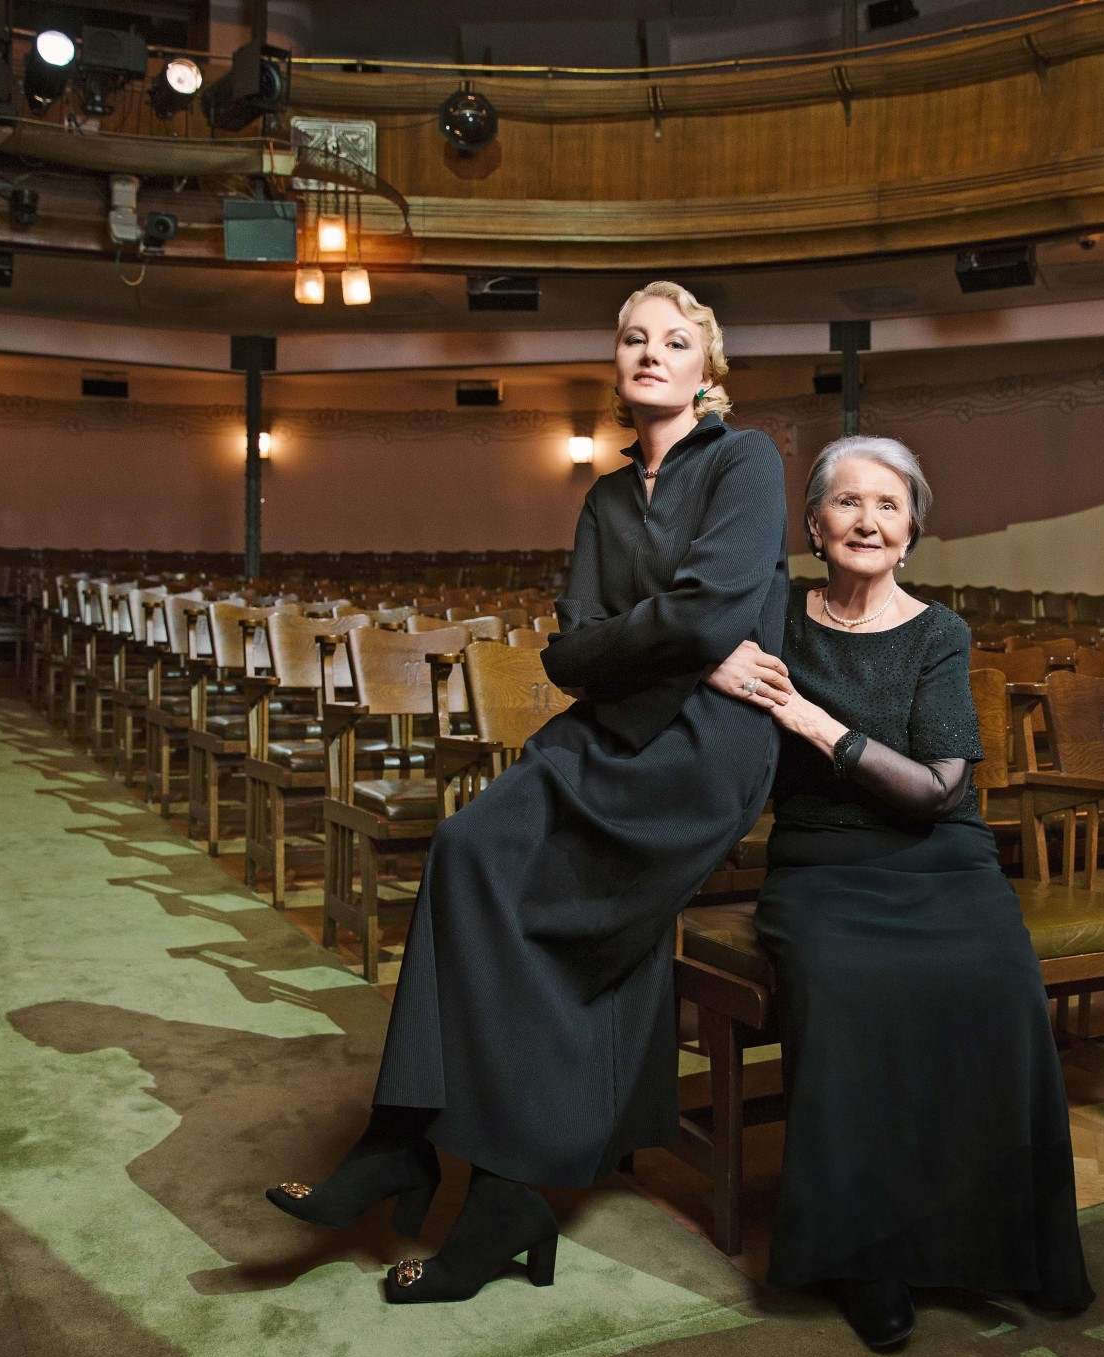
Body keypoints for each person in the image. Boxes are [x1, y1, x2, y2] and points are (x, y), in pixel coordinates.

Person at [267, 281, 792, 1305]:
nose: (650, 352)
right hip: (605, 731)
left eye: (674, 340)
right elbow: (567, 651)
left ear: (707, 370)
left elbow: (698, 612)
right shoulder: (604, 498)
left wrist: (677, 641)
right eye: (632, 338)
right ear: (615, 366)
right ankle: (407, 1144)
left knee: (538, 925)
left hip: (698, 755)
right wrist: (689, 645)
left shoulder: (745, 461)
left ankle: (479, 1185)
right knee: (465, 852)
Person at [739, 435, 1093, 1348]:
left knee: (1000, 983)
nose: (868, 520)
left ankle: (995, 1239)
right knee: (847, 988)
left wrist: (813, 720)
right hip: (822, 866)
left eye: (888, 505)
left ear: (912, 532)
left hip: (940, 858)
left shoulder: (940, 633)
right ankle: (868, 1254)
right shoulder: (773, 620)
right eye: (847, 502)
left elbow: (940, 788)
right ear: (813, 523)